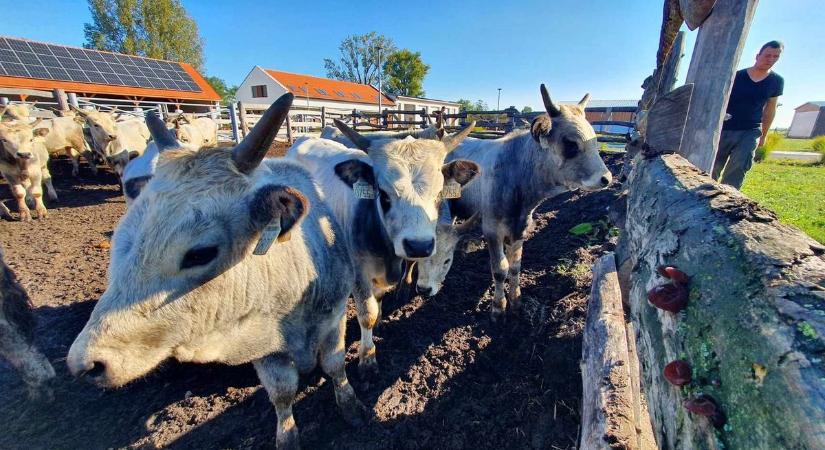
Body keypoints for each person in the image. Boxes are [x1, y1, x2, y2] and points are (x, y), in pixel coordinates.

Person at [713, 41, 784, 189]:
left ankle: (727, 202)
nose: (770, 59)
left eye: (775, 57)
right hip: (725, 127)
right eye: (767, 55)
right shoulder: (737, 76)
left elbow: (770, 108)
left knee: (738, 168)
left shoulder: (776, 81)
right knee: (713, 165)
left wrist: (764, 135)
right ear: (758, 56)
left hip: (750, 130)